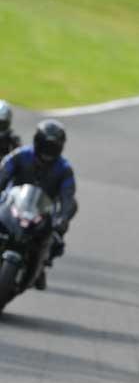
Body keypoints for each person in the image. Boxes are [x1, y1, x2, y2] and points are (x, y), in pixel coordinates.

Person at [0, 119, 78, 289]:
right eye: (45, 145)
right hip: (13, 205)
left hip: (41, 213)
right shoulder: (20, 155)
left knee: (56, 240)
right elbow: (3, 173)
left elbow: (68, 197)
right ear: (37, 141)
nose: (48, 151)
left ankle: (40, 265)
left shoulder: (64, 169)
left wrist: (63, 217)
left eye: (53, 146)